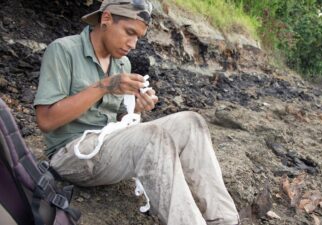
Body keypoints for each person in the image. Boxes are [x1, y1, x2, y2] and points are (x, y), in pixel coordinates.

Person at [33, 0, 240, 224]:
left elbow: (121, 122)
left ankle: (225, 220)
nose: (132, 44)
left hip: (107, 148)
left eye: (138, 38)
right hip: (71, 155)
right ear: (106, 19)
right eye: (129, 32)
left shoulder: (123, 64)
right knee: (151, 136)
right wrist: (105, 86)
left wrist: (137, 108)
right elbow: (46, 120)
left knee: (192, 122)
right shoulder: (63, 50)